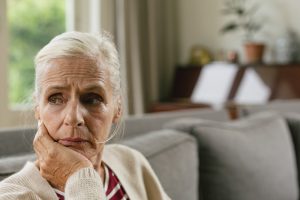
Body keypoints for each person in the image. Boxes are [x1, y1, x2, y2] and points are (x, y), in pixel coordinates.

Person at [0, 31, 170, 200]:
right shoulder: (10, 196)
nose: (73, 118)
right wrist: (79, 175)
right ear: (38, 108)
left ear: (117, 108)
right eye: (56, 99)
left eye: (92, 99)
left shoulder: (131, 163)